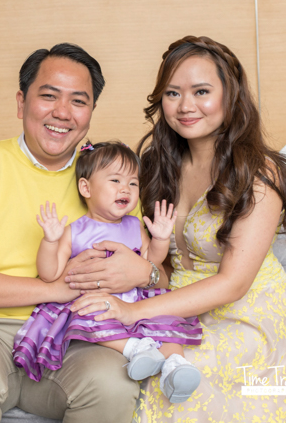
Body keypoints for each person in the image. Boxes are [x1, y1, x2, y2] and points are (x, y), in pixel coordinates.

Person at [69, 35, 286, 421]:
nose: (185, 106)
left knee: (183, 380)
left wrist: (133, 312)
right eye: (173, 93)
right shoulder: (157, 167)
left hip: (249, 316)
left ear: (229, 96)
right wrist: (142, 272)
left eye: (201, 91)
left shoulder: (257, 173)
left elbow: (233, 284)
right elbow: (163, 266)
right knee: (134, 365)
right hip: (178, 309)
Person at [0, 44, 156, 422]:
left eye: (78, 101)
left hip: (76, 335)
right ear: (22, 102)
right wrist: (53, 289)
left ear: (90, 113)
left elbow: (152, 267)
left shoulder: (112, 180)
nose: (62, 112)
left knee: (113, 383)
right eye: (49, 96)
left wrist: (145, 272)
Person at [13, 140, 204, 403]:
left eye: (133, 183)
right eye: (115, 180)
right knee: (91, 318)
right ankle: (134, 349)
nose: (125, 188)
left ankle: (176, 367)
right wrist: (50, 241)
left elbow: (151, 264)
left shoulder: (135, 225)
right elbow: (49, 273)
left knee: (163, 320)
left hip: (135, 300)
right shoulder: (75, 230)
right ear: (86, 188)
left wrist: (160, 239)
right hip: (96, 300)